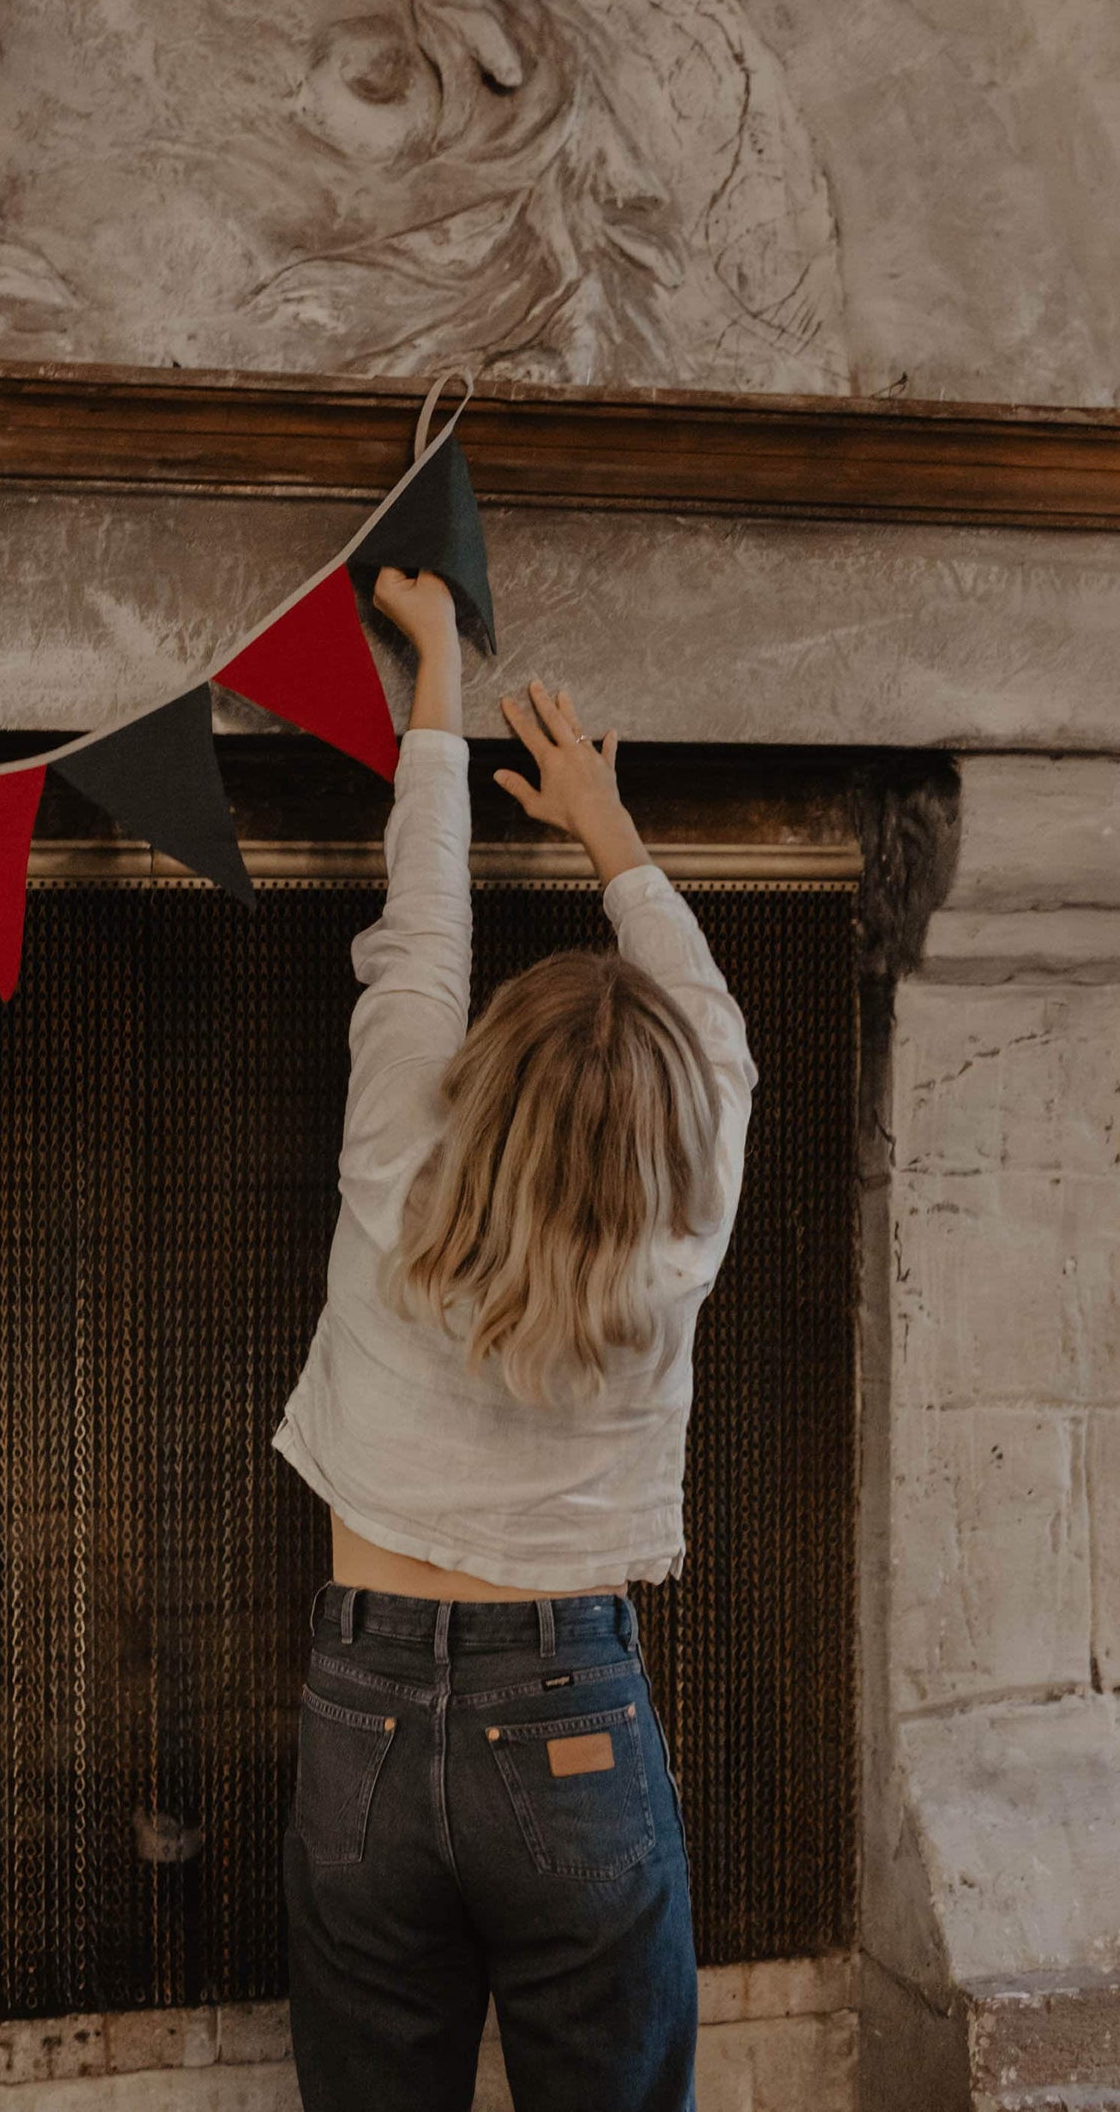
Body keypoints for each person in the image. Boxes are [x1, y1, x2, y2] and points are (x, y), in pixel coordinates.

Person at [274, 568, 757, 2112]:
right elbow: (715, 1029)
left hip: (362, 1704)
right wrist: (609, 826)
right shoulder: (687, 1218)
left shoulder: (397, 1156)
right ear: (672, 1123)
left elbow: (421, 926)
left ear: (484, 1071)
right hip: (568, 1715)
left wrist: (431, 667)